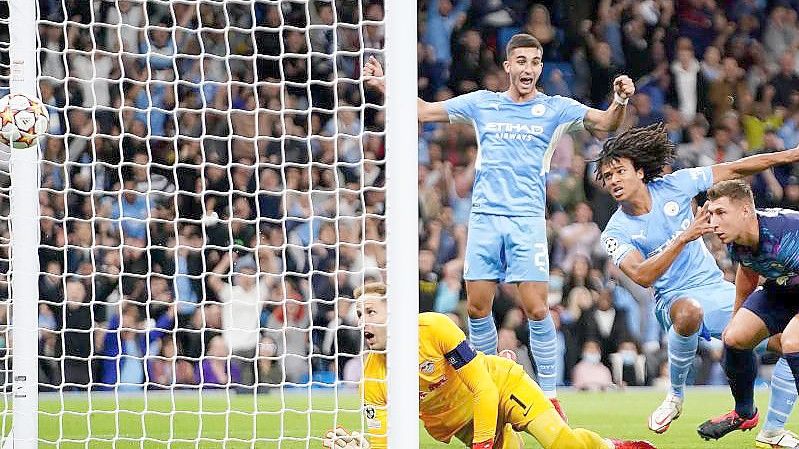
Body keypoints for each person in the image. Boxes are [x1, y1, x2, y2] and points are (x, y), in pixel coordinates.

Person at [363, 33, 635, 416]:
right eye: (521, 61)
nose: (528, 69)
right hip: (485, 220)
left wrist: (620, 100)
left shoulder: (555, 108)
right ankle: (487, 388)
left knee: (538, 309)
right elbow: (423, 110)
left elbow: (606, 123)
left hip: (526, 221)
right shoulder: (482, 104)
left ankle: (550, 396)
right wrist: (384, 84)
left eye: (535, 62)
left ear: (541, 67)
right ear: (508, 66)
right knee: (476, 308)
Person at [596, 123, 799, 445]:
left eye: (619, 171)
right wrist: (685, 236)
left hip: (715, 289)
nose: (614, 181)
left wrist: (788, 154)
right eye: (607, 177)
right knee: (690, 312)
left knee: (786, 344)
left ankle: (769, 427)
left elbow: (733, 168)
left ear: (639, 171)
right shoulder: (614, 231)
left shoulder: (674, 185)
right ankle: (675, 396)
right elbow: (642, 276)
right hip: (672, 299)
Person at [322, 282, 656, 449]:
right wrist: (363, 445)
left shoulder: (434, 328)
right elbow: (383, 437)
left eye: (371, 313)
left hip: (499, 388)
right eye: (359, 314)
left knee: (562, 444)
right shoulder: (372, 375)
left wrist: (483, 445)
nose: (363, 321)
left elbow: (482, 387)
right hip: (463, 422)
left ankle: (613, 446)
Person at [699, 180, 799, 447]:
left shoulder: (787, 232)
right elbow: (748, 270)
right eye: (710, 215)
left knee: (793, 341)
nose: (713, 222)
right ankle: (744, 414)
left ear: (745, 211)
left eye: (721, 213)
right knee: (734, 337)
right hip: (783, 289)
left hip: (791, 287)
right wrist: (736, 316)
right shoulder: (736, 239)